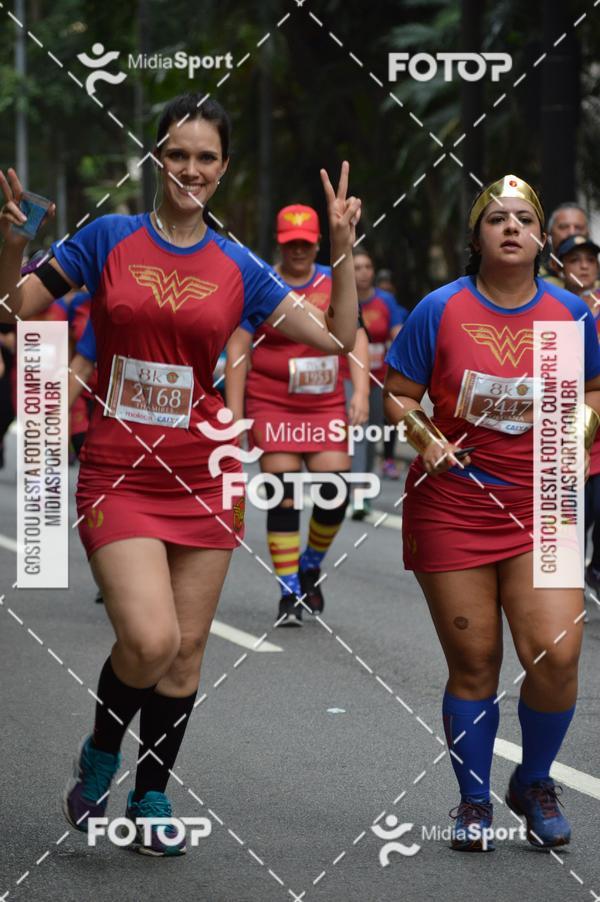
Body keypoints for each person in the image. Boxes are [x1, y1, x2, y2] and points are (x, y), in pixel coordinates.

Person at [0, 92, 361, 856]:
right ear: (156, 158)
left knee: (187, 652)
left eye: (205, 157)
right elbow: (11, 309)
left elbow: (335, 338)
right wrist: (10, 243)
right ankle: (101, 752)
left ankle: (152, 796)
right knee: (150, 638)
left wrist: (340, 246)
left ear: (223, 169)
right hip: (118, 470)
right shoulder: (107, 238)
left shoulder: (241, 266)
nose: (190, 168)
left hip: (206, 473)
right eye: (177, 154)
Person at [383, 175, 600, 851]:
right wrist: (426, 438)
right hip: (454, 505)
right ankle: (474, 801)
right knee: (475, 661)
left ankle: (533, 782)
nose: (512, 228)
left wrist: (576, 436)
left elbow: (594, 390)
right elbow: (398, 393)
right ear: (476, 237)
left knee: (557, 653)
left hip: (544, 501)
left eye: (524, 218)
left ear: (541, 237)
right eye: (497, 218)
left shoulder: (570, 313)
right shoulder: (440, 309)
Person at [225, 204, 369, 625]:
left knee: (334, 493)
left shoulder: (333, 280)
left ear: (318, 243)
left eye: (306, 243)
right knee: (283, 494)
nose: (299, 251)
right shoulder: (261, 283)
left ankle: (310, 564)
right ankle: (289, 592)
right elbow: (238, 349)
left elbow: (357, 335)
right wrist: (235, 417)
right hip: (272, 402)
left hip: (324, 404)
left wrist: (360, 391)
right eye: (291, 244)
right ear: (280, 243)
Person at [343, 250, 406, 510]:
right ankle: (356, 491)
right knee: (357, 432)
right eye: (357, 267)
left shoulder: (386, 301)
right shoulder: (342, 297)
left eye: (368, 267)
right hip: (348, 377)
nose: (363, 272)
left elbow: (398, 334)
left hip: (379, 379)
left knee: (371, 436)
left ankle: (363, 486)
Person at [555, 234, 600, 596]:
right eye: (574, 260)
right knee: (570, 523)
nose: (584, 267)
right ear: (560, 267)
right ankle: (566, 595)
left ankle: (594, 570)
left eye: (590, 260)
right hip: (566, 437)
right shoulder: (552, 309)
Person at [539, 201, 588, 286]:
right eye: (564, 227)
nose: (572, 233)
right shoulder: (534, 278)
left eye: (578, 227)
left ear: (588, 234)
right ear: (549, 233)